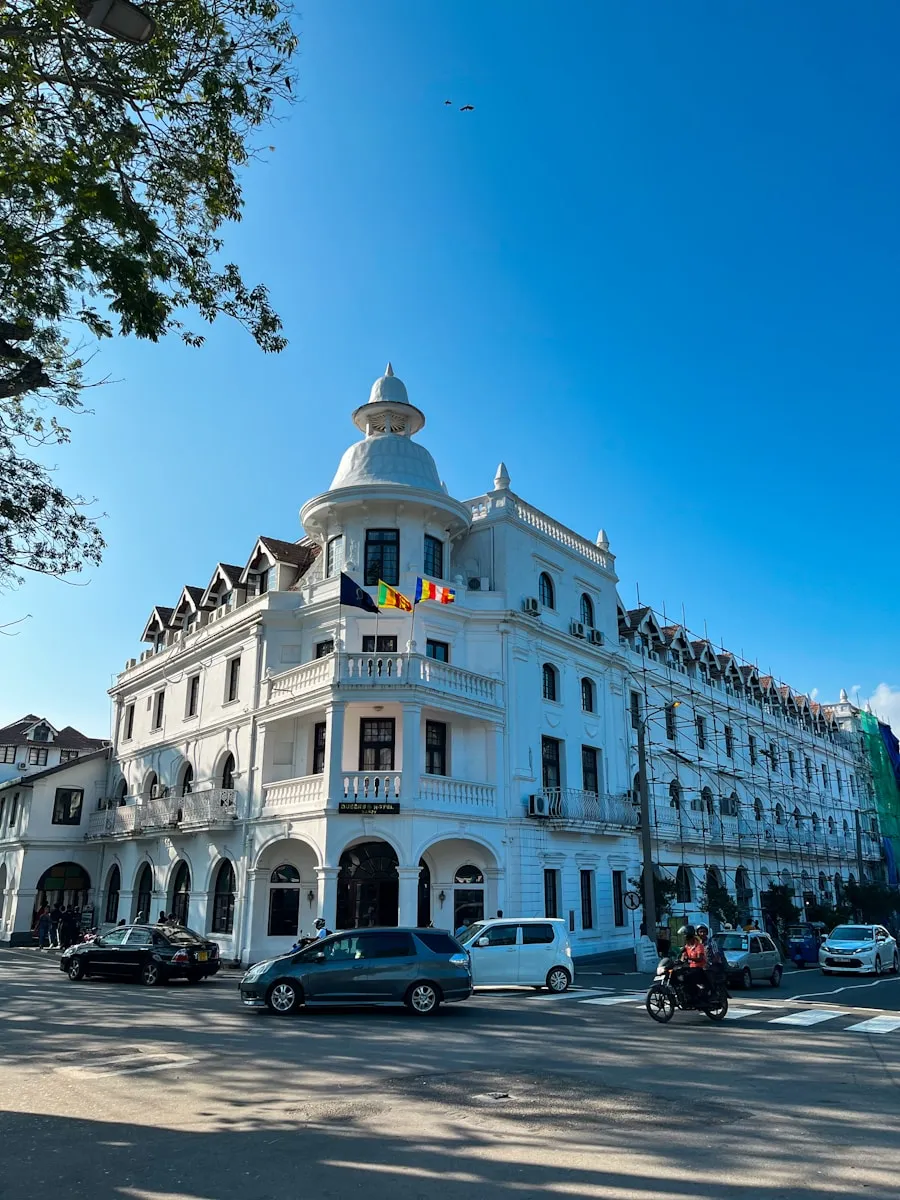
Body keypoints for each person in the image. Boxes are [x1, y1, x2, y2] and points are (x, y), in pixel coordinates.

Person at [678, 925, 707, 1006]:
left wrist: (690, 959)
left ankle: (694, 997)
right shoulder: (687, 946)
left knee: (687, 977)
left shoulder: (699, 946)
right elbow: (683, 957)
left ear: (691, 937)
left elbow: (700, 958)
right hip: (690, 968)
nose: (685, 939)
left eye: (687, 937)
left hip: (699, 968)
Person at [696, 923, 724, 994]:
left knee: (708, 975)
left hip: (712, 966)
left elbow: (716, 955)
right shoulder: (696, 944)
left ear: (707, 933)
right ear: (697, 933)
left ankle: (713, 993)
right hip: (700, 966)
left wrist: (710, 963)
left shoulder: (712, 942)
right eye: (700, 932)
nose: (702, 934)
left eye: (704, 932)